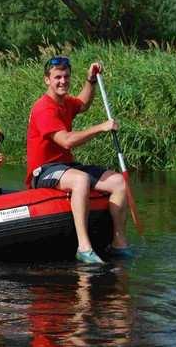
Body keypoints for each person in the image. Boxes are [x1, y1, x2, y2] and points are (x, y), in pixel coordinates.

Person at [25, 56, 131, 264]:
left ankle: (119, 242)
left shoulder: (64, 102)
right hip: (43, 170)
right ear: (47, 80)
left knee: (118, 182)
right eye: (57, 77)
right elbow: (66, 141)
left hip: (65, 166)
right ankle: (84, 247)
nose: (63, 81)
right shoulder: (44, 108)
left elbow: (82, 103)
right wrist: (100, 127)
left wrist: (90, 80)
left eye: (66, 77)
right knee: (81, 180)